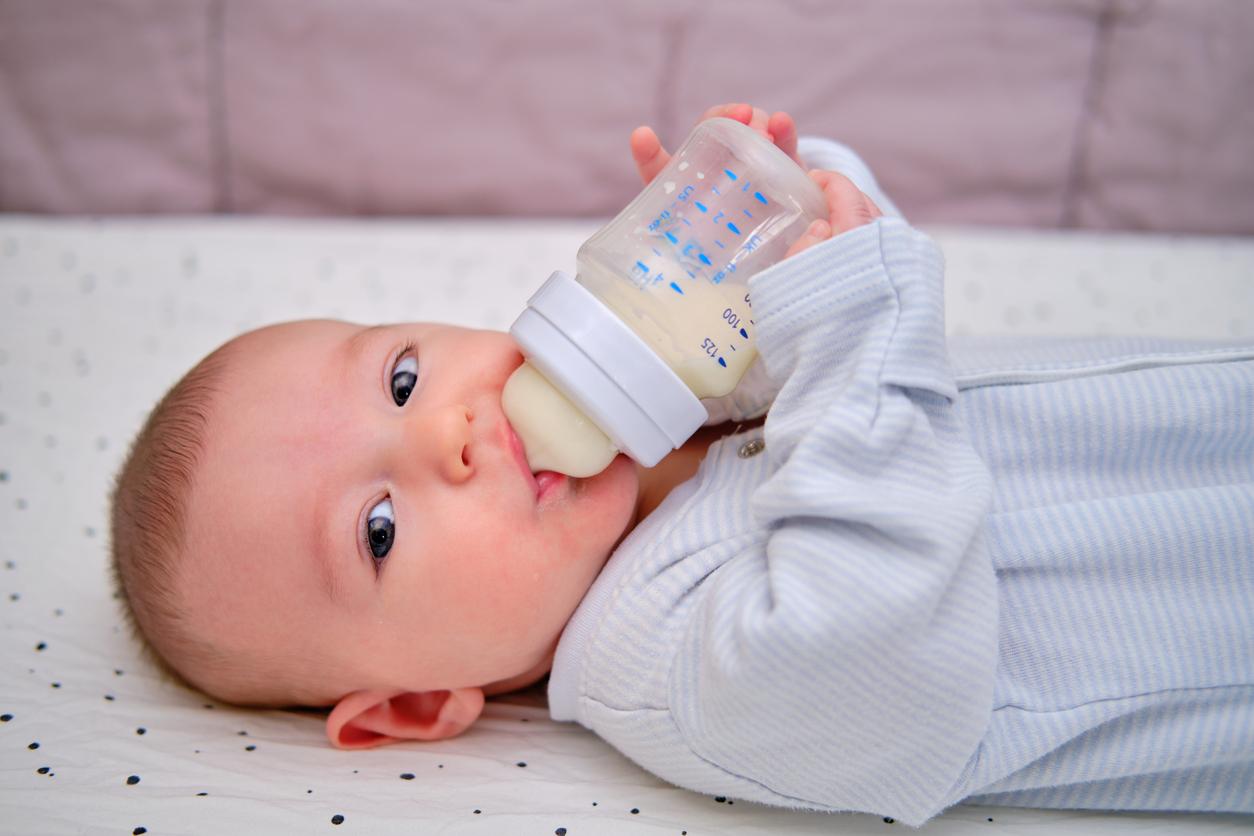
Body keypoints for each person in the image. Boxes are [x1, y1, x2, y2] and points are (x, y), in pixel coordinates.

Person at [109, 103, 1254, 826]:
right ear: (414, 702)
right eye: (378, 528)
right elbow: (879, 646)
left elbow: (890, 343)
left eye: (402, 378)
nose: (440, 432)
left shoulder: (665, 431)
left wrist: (778, 235)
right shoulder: (661, 667)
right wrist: (845, 322)